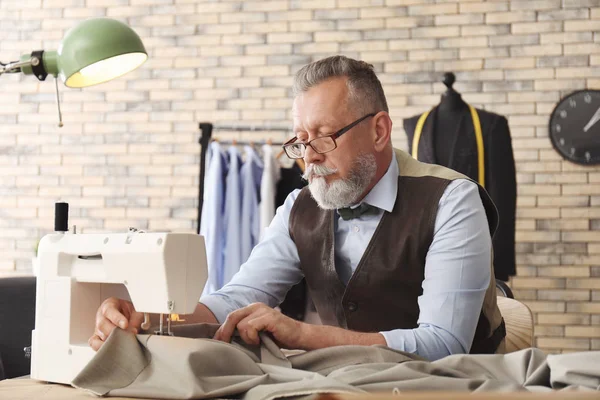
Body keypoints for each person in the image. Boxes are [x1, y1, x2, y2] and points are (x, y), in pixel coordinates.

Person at [89, 56, 505, 361]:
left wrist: (301, 334)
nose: (309, 158)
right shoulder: (297, 207)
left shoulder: (453, 200)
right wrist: (151, 318)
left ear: (379, 131)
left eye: (325, 136)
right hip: (349, 384)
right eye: (301, 140)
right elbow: (235, 299)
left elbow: (443, 344)